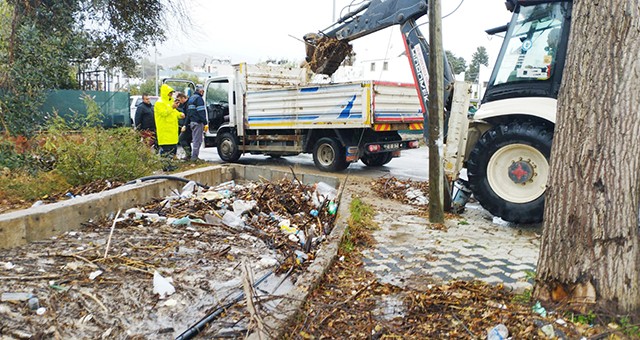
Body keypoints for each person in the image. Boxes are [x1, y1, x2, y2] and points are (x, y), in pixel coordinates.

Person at [154, 84, 185, 171]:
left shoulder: (170, 102)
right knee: (166, 150)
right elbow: (164, 113)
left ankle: (170, 165)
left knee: (173, 149)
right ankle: (165, 166)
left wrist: (180, 115)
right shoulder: (159, 103)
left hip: (172, 131)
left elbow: (173, 112)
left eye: (172, 93)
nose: (171, 94)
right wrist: (172, 107)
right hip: (164, 131)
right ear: (165, 93)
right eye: (170, 93)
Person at [187, 84, 208, 161]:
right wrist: (205, 122)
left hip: (192, 122)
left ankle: (194, 157)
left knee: (195, 139)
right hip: (198, 123)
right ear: (200, 90)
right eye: (203, 91)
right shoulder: (199, 99)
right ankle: (194, 158)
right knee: (197, 141)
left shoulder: (191, 98)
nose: (203, 92)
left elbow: (189, 112)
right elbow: (201, 112)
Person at [175, 92, 192, 160]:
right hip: (188, 124)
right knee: (187, 140)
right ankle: (189, 155)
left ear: (183, 98)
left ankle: (188, 154)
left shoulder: (187, 104)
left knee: (181, 139)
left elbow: (188, 115)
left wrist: (184, 125)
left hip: (188, 125)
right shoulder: (185, 104)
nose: (179, 102)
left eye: (179, 100)